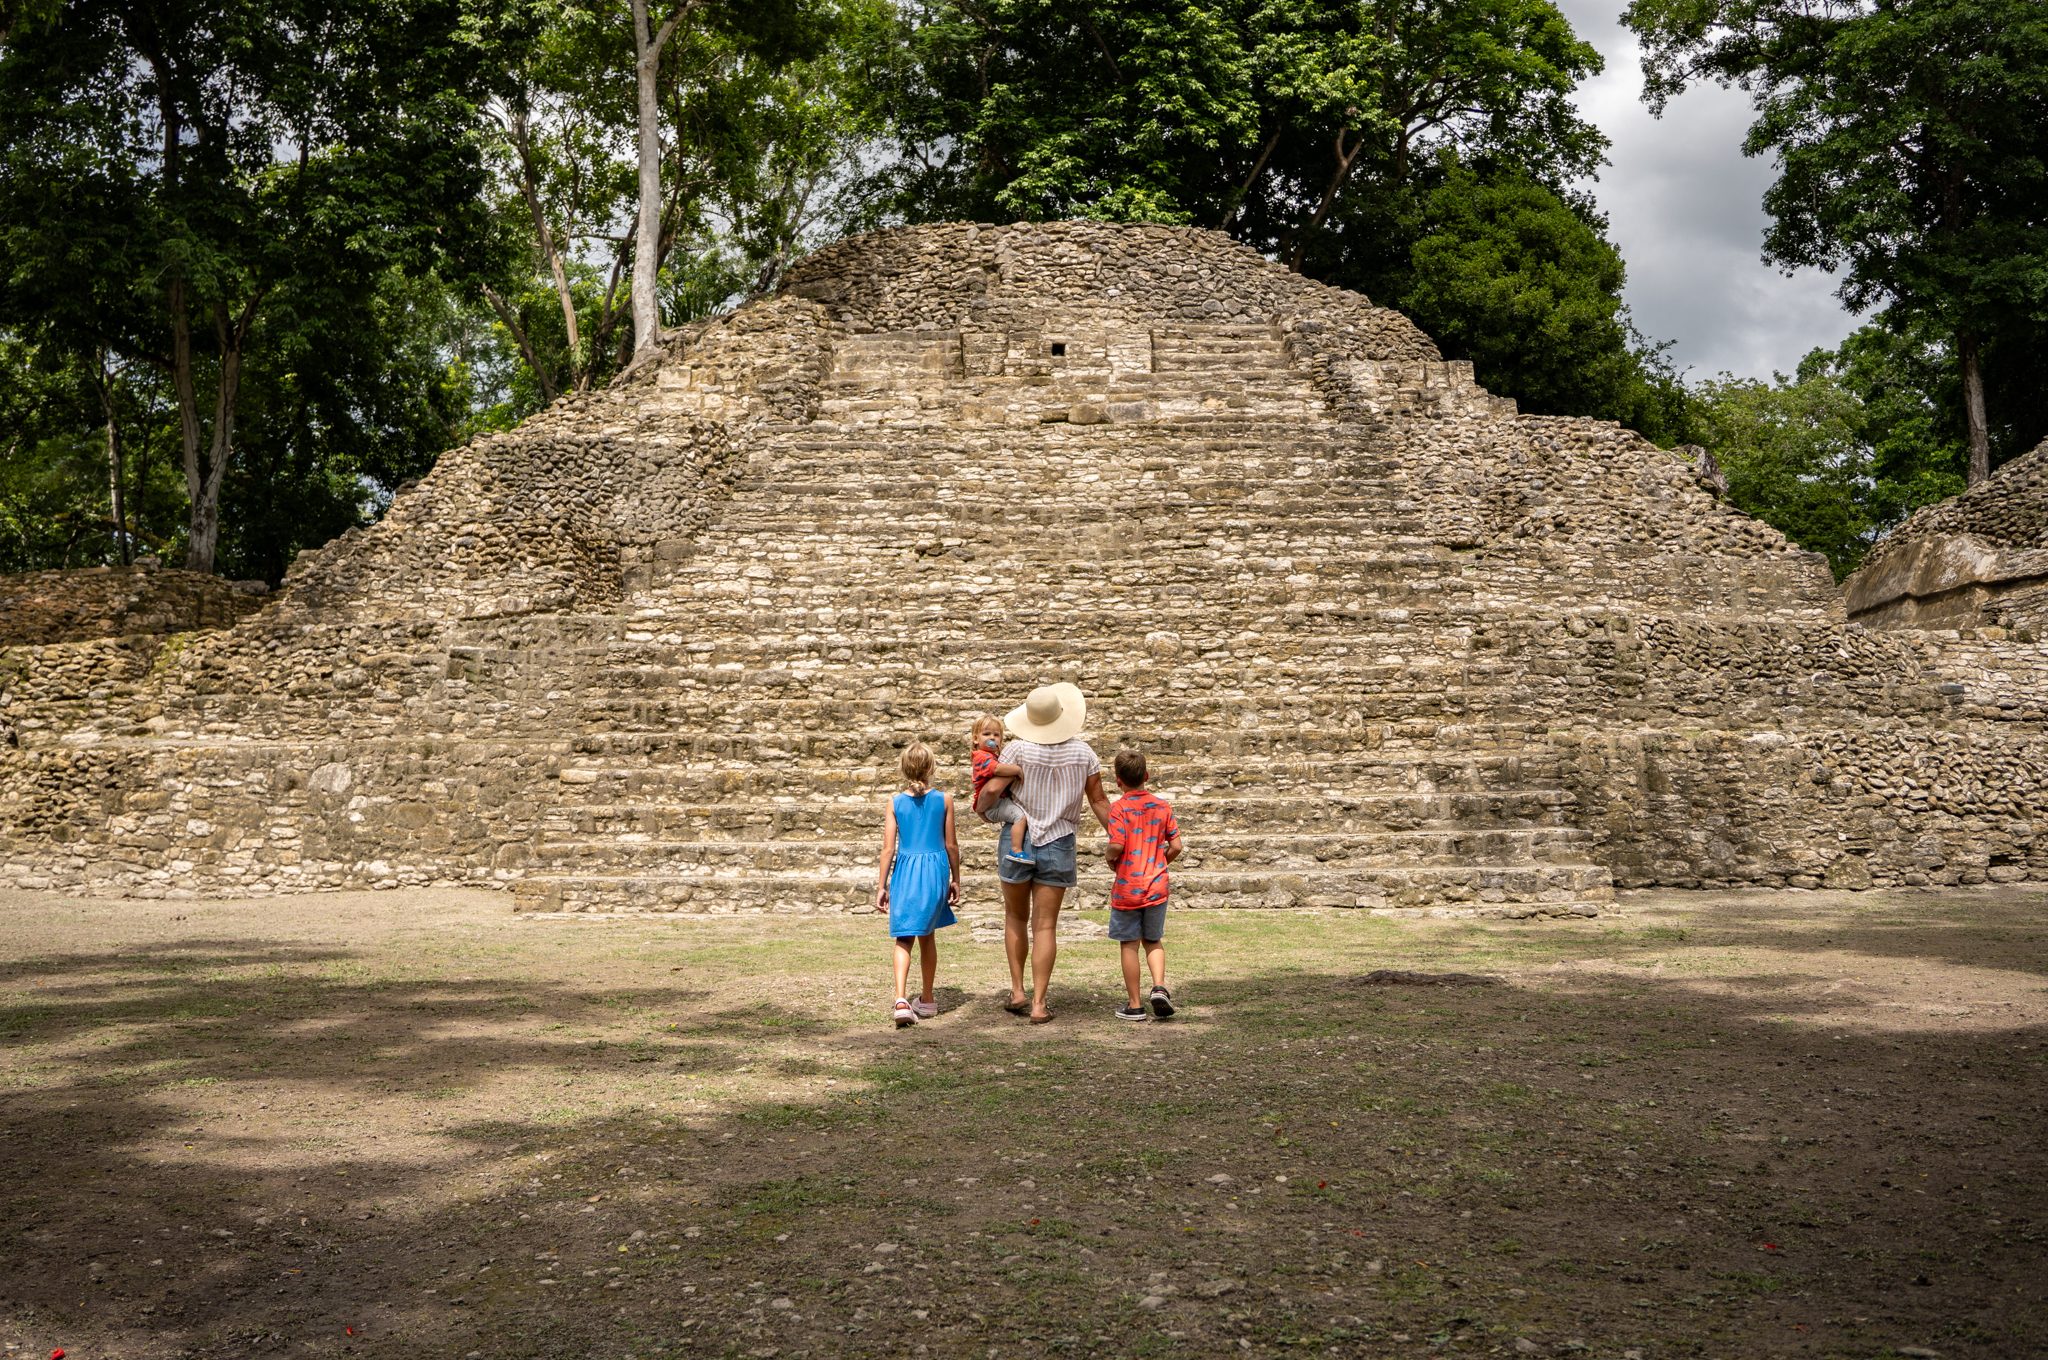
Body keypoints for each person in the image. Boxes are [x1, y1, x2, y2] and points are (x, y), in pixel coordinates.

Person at [988, 682, 1113, 1024]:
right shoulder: (1084, 754)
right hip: (1059, 840)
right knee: (1046, 927)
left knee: (1015, 917)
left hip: (1019, 838)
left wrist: (983, 805)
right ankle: (1040, 1003)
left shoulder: (1016, 753)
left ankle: (1017, 991)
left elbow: (993, 791)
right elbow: (1099, 800)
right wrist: (1120, 834)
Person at [873, 740, 960, 1027]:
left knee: (904, 937)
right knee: (928, 935)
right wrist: (955, 879)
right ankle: (927, 998)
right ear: (931, 768)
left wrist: (882, 885)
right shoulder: (944, 800)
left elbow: (888, 849)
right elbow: (951, 845)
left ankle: (901, 999)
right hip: (935, 870)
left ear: (903, 769)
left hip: (907, 870)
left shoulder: (895, 802)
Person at [1104, 748, 1184, 1021]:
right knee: (1153, 940)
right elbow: (1176, 845)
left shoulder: (1119, 809)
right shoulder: (1163, 807)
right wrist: (1161, 861)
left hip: (1128, 888)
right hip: (1157, 886)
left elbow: (1116, 844)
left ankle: (1135, 1003)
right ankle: (1159, 987)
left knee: (1129, 944)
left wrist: (1109, 857)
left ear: (1118, 781)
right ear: (1146, 776)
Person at [968, 714, 1033, 865]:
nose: (992, 737)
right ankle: (1016, 850)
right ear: (976, 739)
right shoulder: (980, 756)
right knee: (1020, 817)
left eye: (996, 735)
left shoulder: (990, 755)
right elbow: (995, 769)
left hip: (997, 802)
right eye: (986, 734)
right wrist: (1016, 769)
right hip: (994, 804)